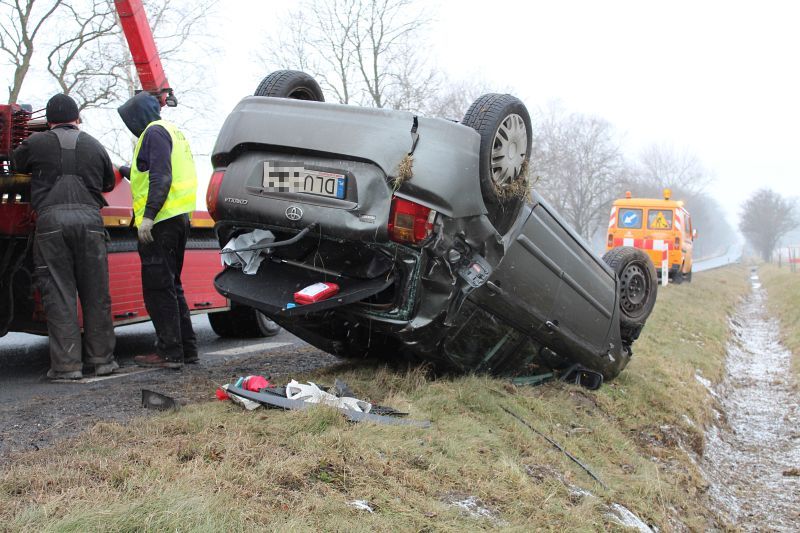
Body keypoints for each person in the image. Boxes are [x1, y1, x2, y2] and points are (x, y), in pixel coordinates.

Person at [13, 93, 118, 380]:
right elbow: (108, 183)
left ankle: (67, 367)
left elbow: (16, 163)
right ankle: (103, 361)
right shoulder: (94, 144)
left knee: (59, 294)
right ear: (76, 118)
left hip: (52, 223)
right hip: (90, 223)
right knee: (96, 293)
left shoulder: (37, 143)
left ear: (49, 121)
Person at [117, 92, 198, 369]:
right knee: (172, 286)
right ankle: (186, 349)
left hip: (160, 222)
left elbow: (161, 175)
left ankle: (169, 352)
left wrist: (148, 217)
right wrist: (124, 170)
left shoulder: (153, 133)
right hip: (177, 218)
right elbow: (147, 171)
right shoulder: (171, 131)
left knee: (158, 289)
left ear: (137, 117)